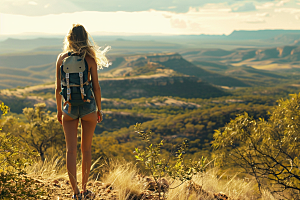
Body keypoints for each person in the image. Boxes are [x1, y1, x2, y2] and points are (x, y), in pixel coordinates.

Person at [55, 24, 110, 199]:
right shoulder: (90, 60)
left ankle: (75, 193)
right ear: (85, 38)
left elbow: (58, 89)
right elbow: (96, 88)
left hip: (69, 109)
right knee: (86, 150)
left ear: (69, 39)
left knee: (70, 151)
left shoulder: (61, 58)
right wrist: (99, 109)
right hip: (88, 109)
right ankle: (85, 190)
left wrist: (59, 111)